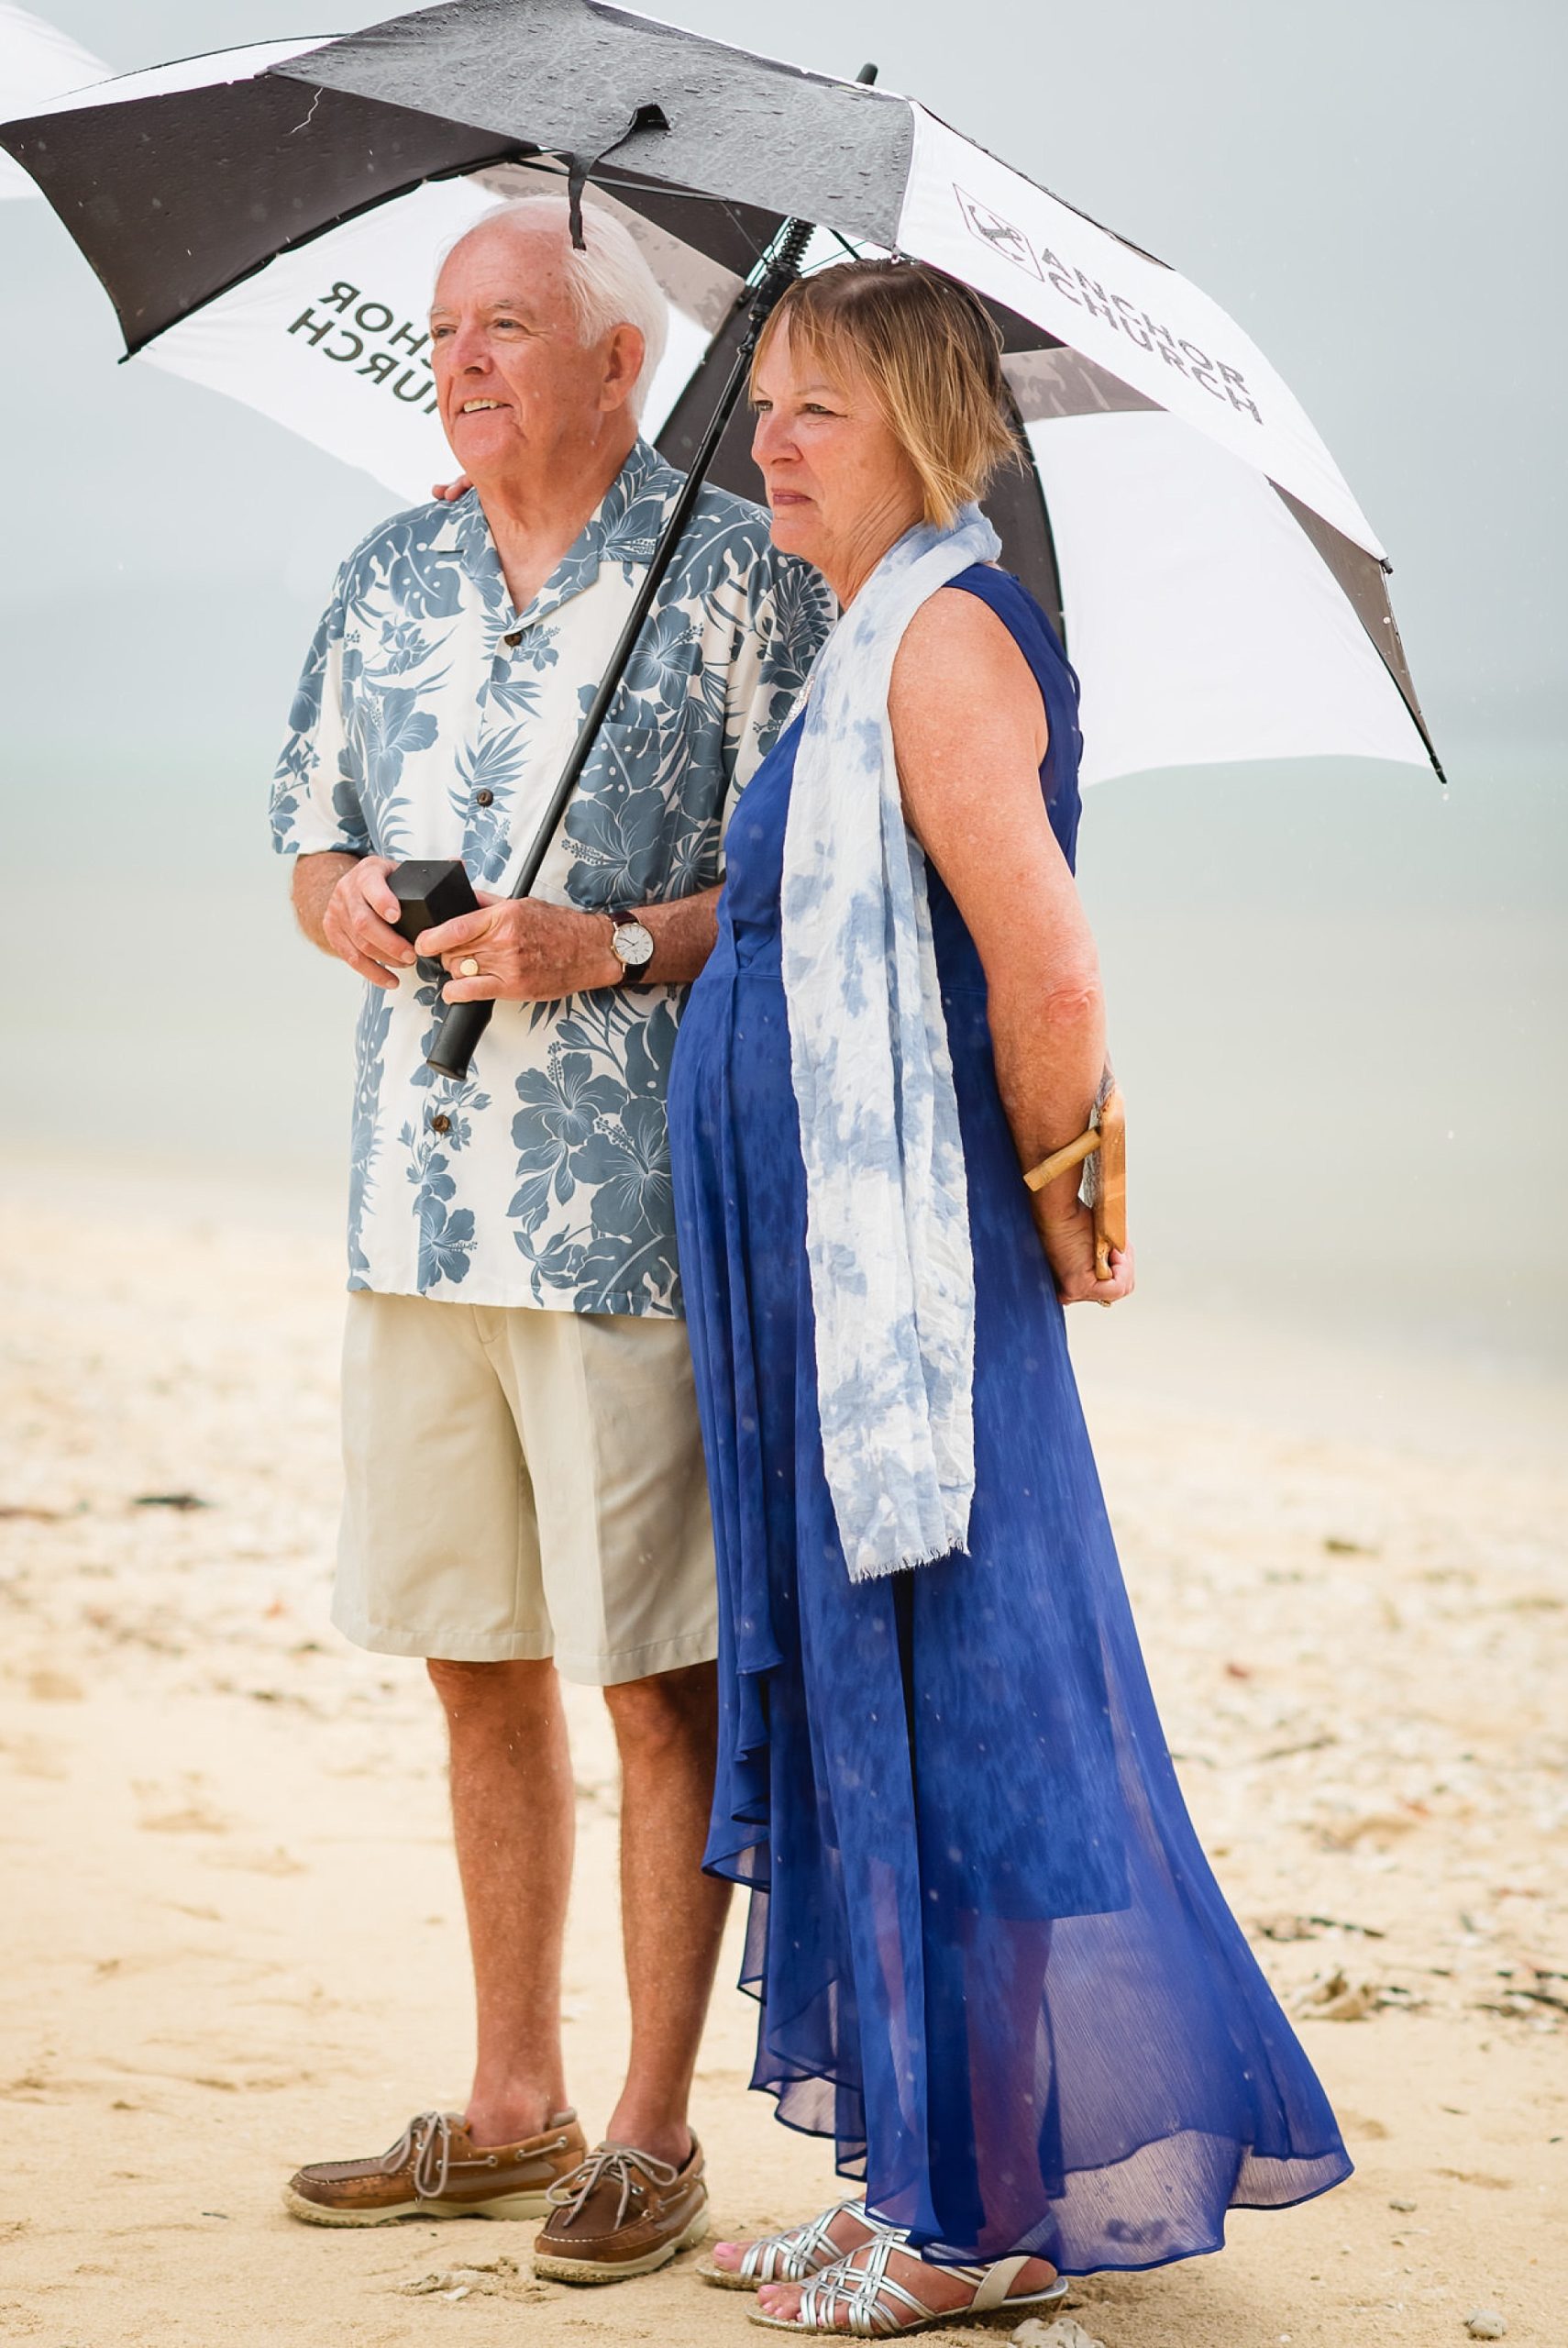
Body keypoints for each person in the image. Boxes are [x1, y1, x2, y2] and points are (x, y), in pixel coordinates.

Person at [667, 260, 1352, 2334]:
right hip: (829, 1279)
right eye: (766, 405)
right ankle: (917, 2168)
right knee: (883, 1704)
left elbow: (1047, 968)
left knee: (959, 1708)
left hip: (914, 1288)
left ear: (931, 429)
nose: (769, 444)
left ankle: (988, 2213)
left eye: (816, 413)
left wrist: (1070, 1185)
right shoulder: (867, 629)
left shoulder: (947, 642)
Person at [269, 194, 831, 2278]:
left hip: (626, 1228)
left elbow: (782, 890)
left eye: (512, 326)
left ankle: (655, 2127)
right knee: (470, 1660)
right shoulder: (389, 567)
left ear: (620, 363)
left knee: (653, 1683)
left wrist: (605, 939)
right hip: (411, 1208)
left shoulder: (738, 579)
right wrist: (341, 906)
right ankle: (511, 2103)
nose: (467, 360)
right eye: (444, 331)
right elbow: (304, 830)